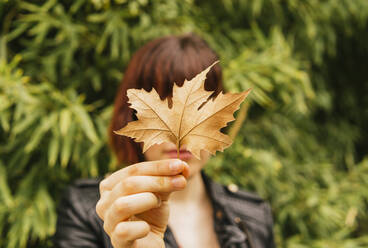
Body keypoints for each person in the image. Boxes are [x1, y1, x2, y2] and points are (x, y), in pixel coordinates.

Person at [54, 34, 275, 248]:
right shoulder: (88, 210)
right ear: (131, 115)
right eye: (164, 109)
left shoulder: (253, 215)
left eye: (200, 112)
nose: (183, 134)